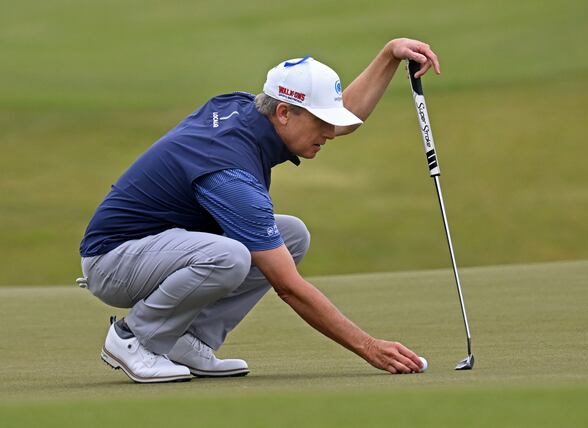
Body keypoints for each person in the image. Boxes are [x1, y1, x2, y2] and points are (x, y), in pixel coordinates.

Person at [78, 38, 441, 383]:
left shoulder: (247, 110)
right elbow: (289, 287)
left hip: (160, 247)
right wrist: (368, 347)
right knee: (232, 256)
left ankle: (187, 340)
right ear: (284, 112)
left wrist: (389, 56)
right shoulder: (230, 174)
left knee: (291, 235)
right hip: (113, 260)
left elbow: (346, 117)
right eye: (320, 122)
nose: (331, 132)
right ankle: (135, 338)